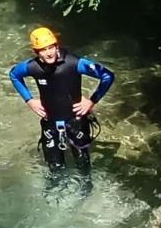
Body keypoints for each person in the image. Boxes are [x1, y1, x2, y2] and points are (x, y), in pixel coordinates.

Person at [8, 26, 113, 177]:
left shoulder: (73, 63)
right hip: (50, 121)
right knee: (55, 168)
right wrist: (29, 100)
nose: (49, 53)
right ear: (36, 52)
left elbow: (107, 76)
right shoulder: (33, 67)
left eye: (51, 47)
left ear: (57, 46)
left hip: (75, 120)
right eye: (43, 50)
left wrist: (91, 101)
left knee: (83, 165)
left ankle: (86, 191)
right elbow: (14, 75)